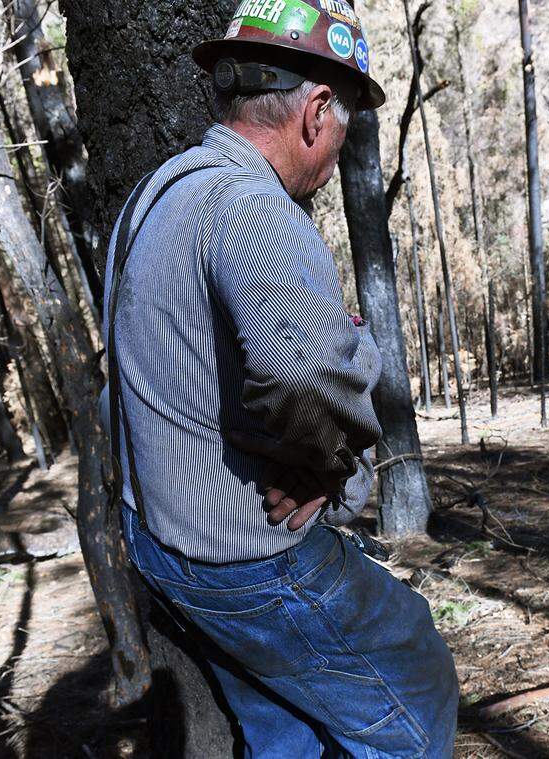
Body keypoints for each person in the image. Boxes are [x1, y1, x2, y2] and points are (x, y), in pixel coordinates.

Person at [103, 3, 458, 755]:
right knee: (414, 683)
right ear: (316, 110)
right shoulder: (253, 208)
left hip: (162, 542)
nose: (333, 159)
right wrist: (321, 468)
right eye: (343, 130)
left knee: (282, 727)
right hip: (244, 557)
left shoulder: (154, 196)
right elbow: (304, 372)